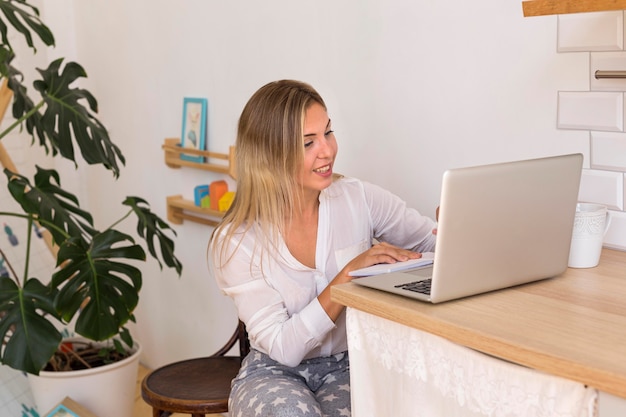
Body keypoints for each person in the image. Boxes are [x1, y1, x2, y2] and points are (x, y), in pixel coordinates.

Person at [207, 80, 437, 417]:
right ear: (270, 154)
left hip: (351, 364)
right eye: (307, 142)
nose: (327, 150)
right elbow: (284, 348)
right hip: (273, 371)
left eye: (328, 133)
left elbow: (430, 243)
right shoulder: (237, 241)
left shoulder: (359, 198)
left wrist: (456, 229)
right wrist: (346, 278)